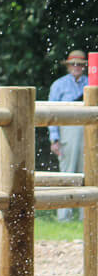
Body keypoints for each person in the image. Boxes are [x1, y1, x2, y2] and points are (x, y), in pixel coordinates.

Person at [48, 49, 88, 221]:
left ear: (84, 66)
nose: (76, 67)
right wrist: (54, 139)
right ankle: (64, 216)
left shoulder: (91, 83)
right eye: (74, 64)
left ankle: (87, 216)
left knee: (88, 172)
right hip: (67, 131)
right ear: (68, 66)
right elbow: (51, 114)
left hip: (87, 131)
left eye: (80, 64)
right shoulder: (59, 85)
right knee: (67, 174)